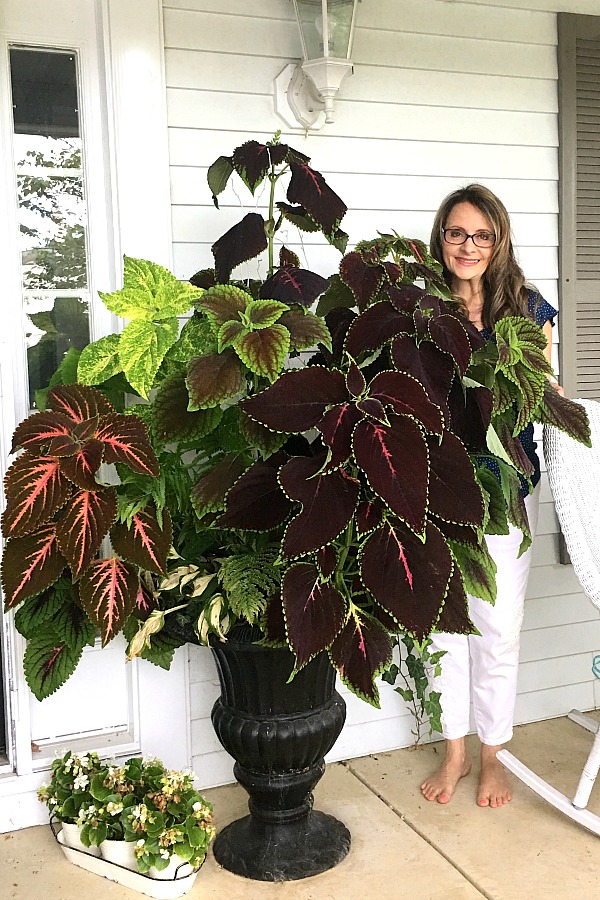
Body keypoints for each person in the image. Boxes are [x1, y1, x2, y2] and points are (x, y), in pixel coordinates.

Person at [420, 184, 563, 809]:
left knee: (497, 627)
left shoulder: (528, 312)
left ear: (498, 240)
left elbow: (545, 396)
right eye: (457, 234)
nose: (468, 246)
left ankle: (492, 756)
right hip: (433, 489)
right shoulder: (421, 309)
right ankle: (453, 751)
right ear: (442, 239)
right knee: (443, 627)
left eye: (481, 235)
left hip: (505, 487)